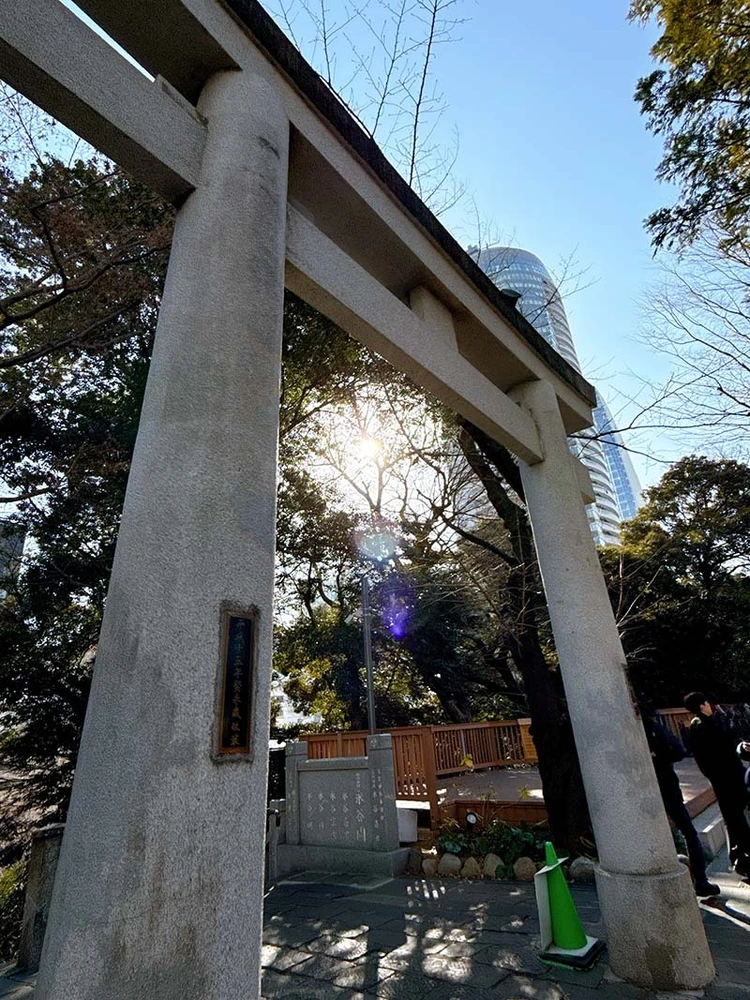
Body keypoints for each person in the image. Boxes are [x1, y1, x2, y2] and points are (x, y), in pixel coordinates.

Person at [643, 711, 720, 897]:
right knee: (688, 831)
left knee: (666, 833)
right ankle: (700, 880)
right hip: (665, 784)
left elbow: (679, 750)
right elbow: (678, 751)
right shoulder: (654, 727)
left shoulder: (634, 730)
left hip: (645, 790)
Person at [684, 692, 750, 877]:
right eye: (708, 703)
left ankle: (740, 857)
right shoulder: (700, 725)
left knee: (736, 818)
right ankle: (741, 858)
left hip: (734, 775)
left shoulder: (711, 720)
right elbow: (717, 743)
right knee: (734, 818)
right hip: (724, 780)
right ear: (702, 705)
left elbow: (730, 737)